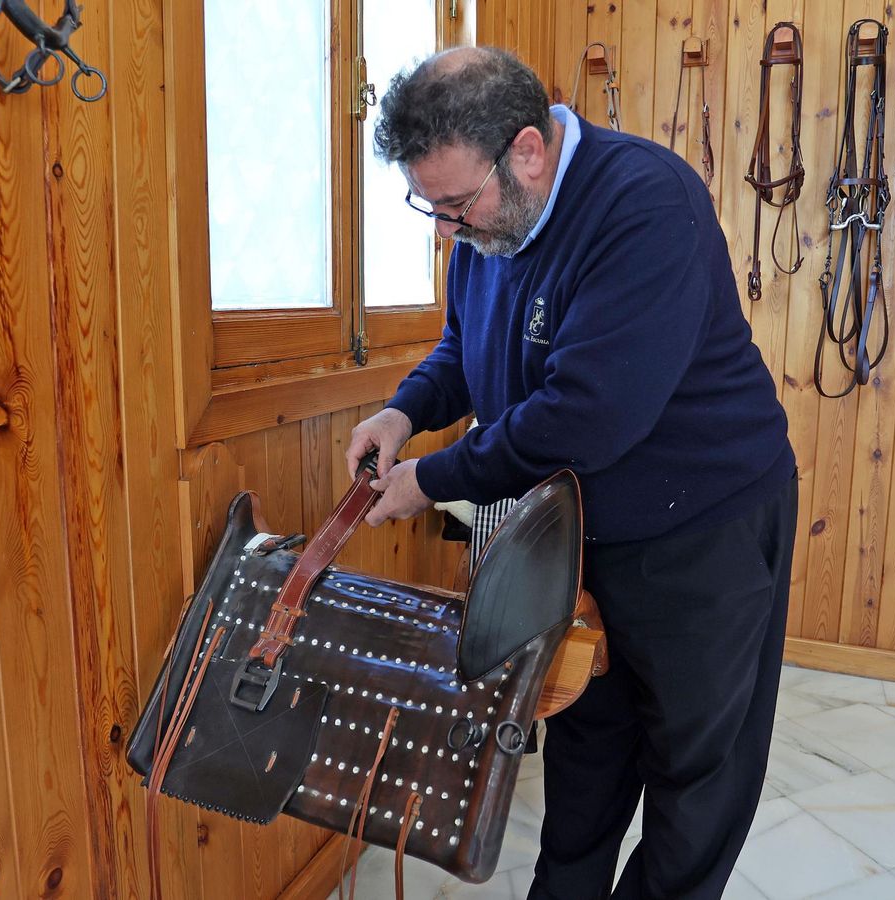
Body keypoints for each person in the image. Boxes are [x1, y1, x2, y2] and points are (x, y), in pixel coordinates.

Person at [342, 46, 798, 899]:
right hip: (581, 532)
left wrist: (432, 481)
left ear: (527, 149)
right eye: (427, 203)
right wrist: (405, 411)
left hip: (704, 526)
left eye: (452, 203)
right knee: (587, 757)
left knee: (695, 776)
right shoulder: (493, 217)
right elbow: (463, 348)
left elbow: (587, 416)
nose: (444, 227)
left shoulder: (646, 204)